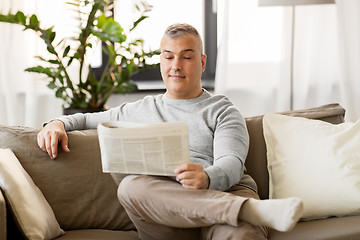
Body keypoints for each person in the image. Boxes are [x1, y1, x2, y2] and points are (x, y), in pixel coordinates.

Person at [37, 23, 303, 240]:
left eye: (186, 57)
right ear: (161, 62)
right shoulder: (139, 109)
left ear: (201, 62)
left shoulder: (222, 110)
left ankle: (244, 210)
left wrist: (207, 178)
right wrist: (55, 124)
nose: (176, 65)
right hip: (166, 214)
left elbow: (232, 163)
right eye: (169, 57)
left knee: (242, 237)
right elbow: (84, 119)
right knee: (130, 187)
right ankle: (248, 211)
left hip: (224, 194)